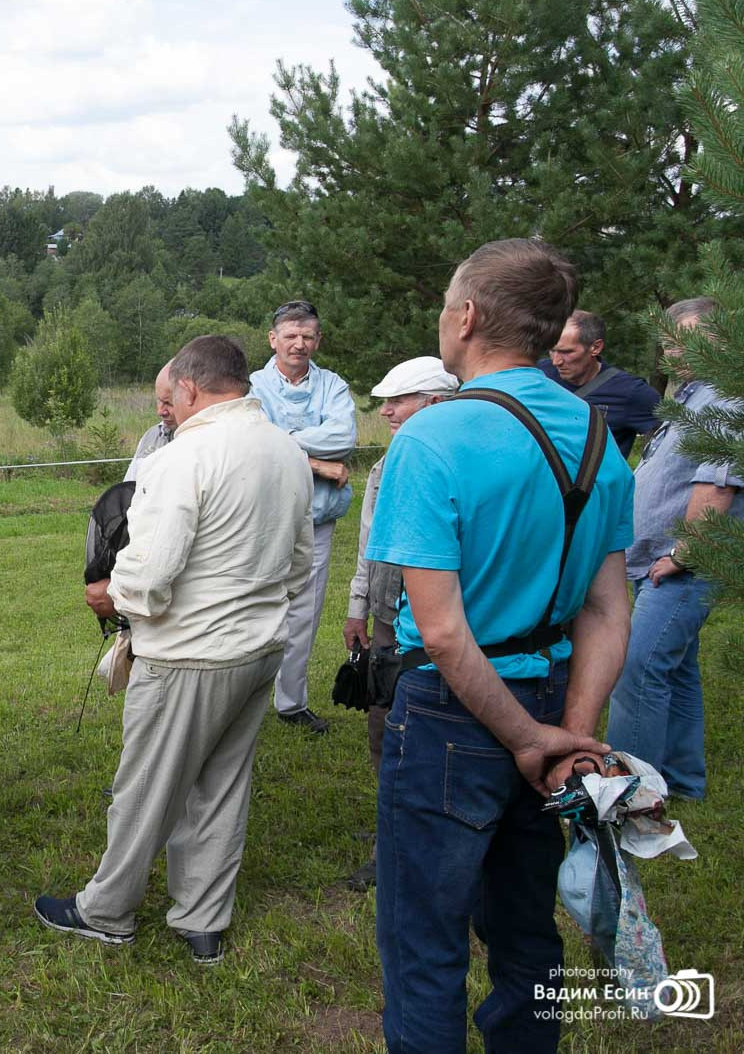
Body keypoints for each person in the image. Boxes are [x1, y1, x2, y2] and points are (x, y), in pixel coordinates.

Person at [366, 238, 633, 1053]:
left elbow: (441, 629)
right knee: (526, 926)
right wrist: (571, 734)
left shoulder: (431, 439)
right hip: (553, 700)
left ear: (469, 316)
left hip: (453, 716)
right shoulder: (594, 431)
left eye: (448, 304)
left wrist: (527, 740)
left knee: (424, 940)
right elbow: (608, 607)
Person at [36, 335, 314, 966]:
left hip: (190, 654)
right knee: (221, 784)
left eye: (172, 400)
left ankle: (106, 911)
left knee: (147, 787)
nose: (170, 412)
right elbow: (299, 563)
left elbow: (151, 572)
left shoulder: (183, 458)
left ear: (190, 387)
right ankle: (202, 919)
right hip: (261, 648)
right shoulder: (287, 450)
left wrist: (113, 595)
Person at [606, 297, 742, 801]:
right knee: (676, 670)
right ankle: (685, 783)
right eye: (667, 342)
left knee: (637, 666)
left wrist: (685, 554)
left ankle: (628, 794)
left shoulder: (729, 399)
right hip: (659, 561)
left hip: (684, 564)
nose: (672, 352)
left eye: (685, 339)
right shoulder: (692, 396)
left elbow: (719, 486)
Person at [339, 356, 457, 891]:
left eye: (399, 401)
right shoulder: (388, 465)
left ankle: (430, 844)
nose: (385, 410)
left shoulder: (458, 460)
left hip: (444, 626)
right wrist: (358, 604)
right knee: (385, 728)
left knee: (439, 737)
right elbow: (370, 542)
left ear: (435, 402)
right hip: (387, 622)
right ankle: (392, 838)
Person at [249, 300, 357, 734]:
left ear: (318, 340)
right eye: (290, 336)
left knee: (304, 612)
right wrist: (319, 464)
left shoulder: (332, 386)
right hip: (265, 517)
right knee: (254, 604)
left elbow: (343, 435)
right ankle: (243, 699)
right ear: (273, 339)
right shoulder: (253, 385)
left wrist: (287, 444)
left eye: (307, 336)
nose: (299, 344)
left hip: (317, 519)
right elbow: (255, 442)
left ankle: (291, 702)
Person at [539, 309, 661, 457]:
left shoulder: (631, 392)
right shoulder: (538, 374)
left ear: (595, 348)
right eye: (552, 350)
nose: (556, 361)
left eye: (567, 352)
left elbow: (677, 439)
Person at [122, 363, 176, 483]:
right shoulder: (149, 437)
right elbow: (129, 486)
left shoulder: (204, 443)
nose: (160, 411)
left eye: (168, 403)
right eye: (159, 401)